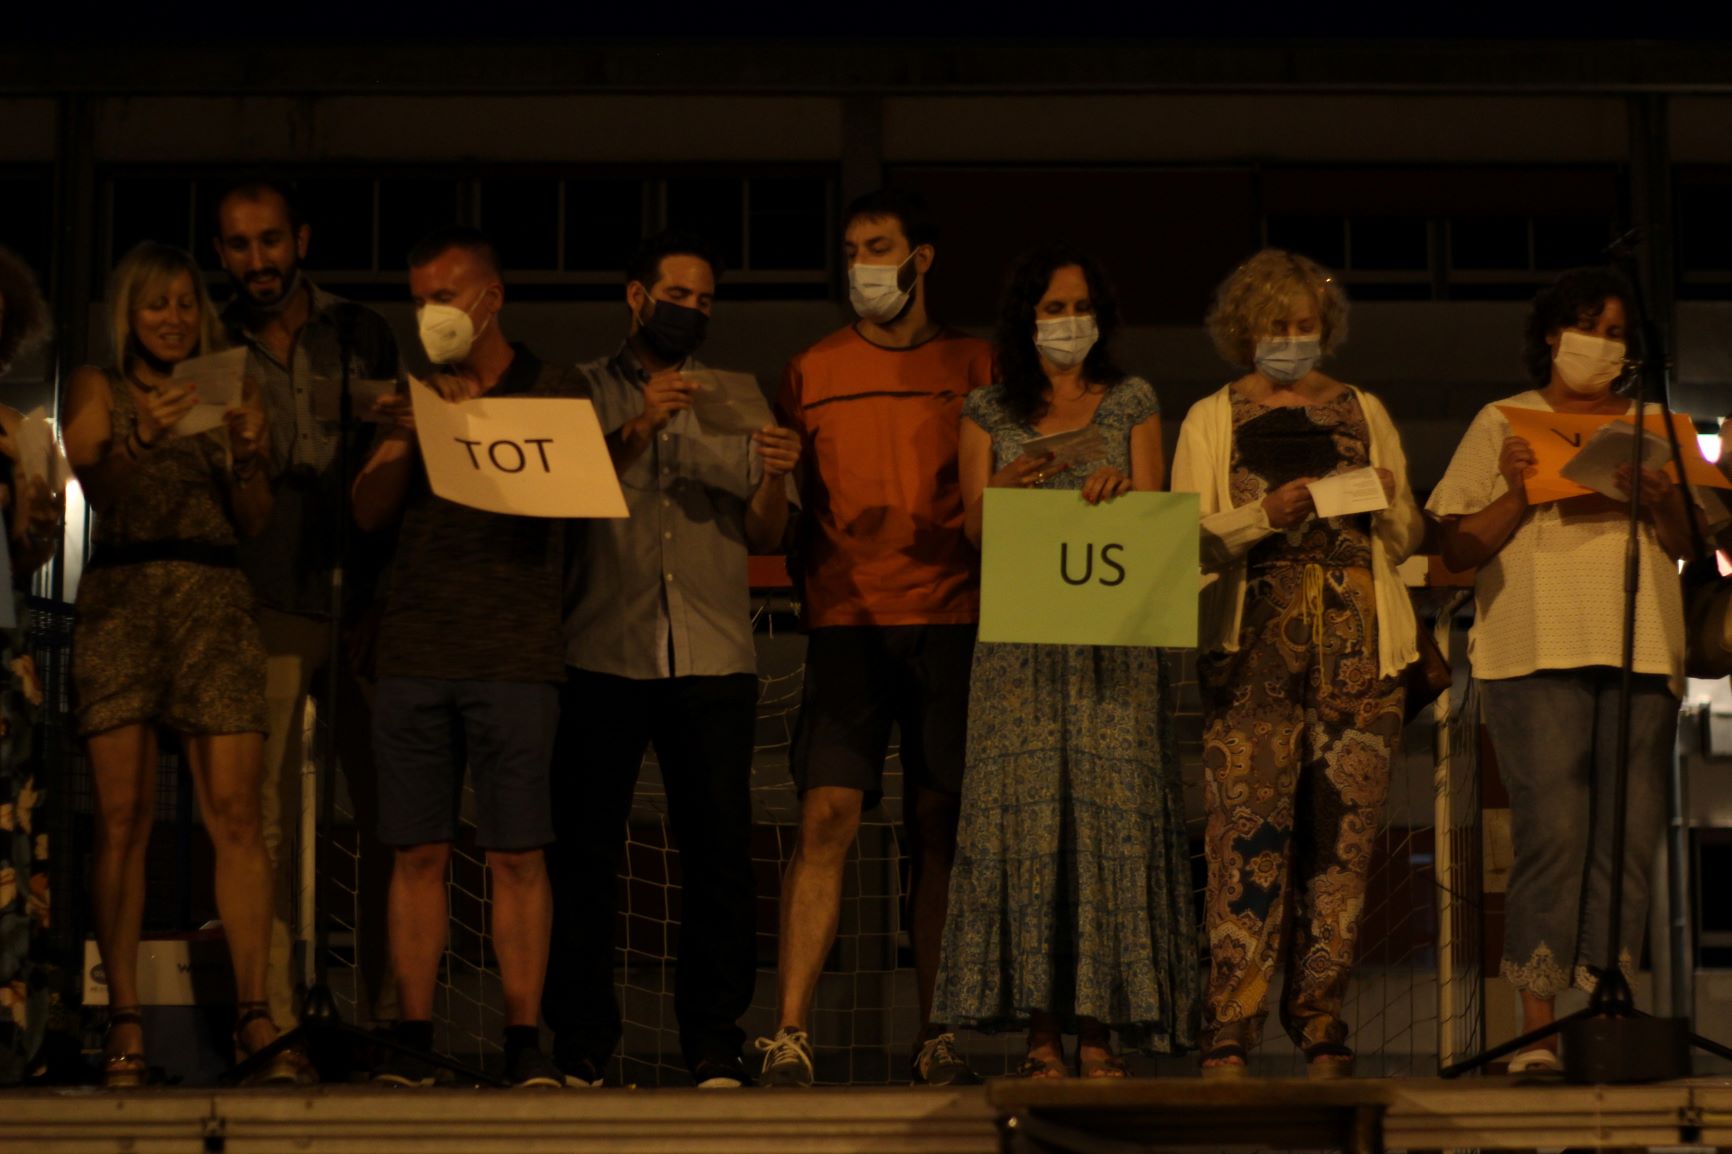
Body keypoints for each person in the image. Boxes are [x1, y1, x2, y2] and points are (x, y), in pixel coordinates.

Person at [931, 246, 1198, 1078]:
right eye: (1053, 308)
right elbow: (975, 529)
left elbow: (1156, 517)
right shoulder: (986, 408)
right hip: (1020, 653)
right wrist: (1010, 482)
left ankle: (1101, 1028)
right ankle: (1042, 1033)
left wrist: (1120, 489)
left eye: (1080, 307)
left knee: (1113, 822)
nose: (1068, 321)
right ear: (1027, 318)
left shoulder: (1133, 399)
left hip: (1113, 646)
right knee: (1031, 828)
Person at [545, 230, 800, 1089]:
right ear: (636, 296)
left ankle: (714, 1039)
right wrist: (640, 423)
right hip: (601, 648)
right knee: (584, 853)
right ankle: (582, 1040)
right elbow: (557, 502)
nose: (691, 310)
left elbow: (767, 532)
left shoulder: (739, 394)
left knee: (720, 854)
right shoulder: (577, 390)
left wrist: (774, 476)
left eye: (705, 299)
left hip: (713, 652)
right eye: (678, 295)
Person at [1428, 267, 1695, 1074]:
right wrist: (1517, 491)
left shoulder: (1654, 424)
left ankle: (1607, 1004)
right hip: (1533, 644)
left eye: (1617, 334)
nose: (1602, 347)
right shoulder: (1503, 420)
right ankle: (1537, 1023)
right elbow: (1456, 548)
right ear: (1551, 334)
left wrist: (1660, 499)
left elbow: (1690, 544)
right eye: (1589, 329)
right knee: (1555, 828)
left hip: (1642, 644)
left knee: (1630, 829)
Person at [757, 188, 992, 1088]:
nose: (863, 266)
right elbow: (778, 514)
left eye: (880, 248)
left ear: (921, 258)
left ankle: (939, 1033)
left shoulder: (977, 363)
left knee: (940, 828)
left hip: (954, 622)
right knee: (826, 816)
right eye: (853, 251)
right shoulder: (810, 368)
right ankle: (789, 1032)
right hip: (844, 623)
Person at [1171, 248, 1423, 1080]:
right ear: (1246, 330)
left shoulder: (1363, 407)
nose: (1291, 339)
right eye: (1276, 326)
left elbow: (1406, 538)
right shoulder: (1212, 416)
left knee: (1342, 842)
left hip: (1360, 654)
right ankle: (1230, 1024)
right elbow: (1185, 537)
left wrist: (1390, 499)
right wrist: (1262, 516)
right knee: (1245, 832)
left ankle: (1321, 1018)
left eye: (1304, 326)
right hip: (1251, 656)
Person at [63, 242, 300, 1087]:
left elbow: (255, 518)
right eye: (156, 304)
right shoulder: (97, 385)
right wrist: (142, 434)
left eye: (185, 303)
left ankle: (255, 1014)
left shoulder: (228, 384)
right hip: (124, 606)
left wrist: (247, 453)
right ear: (128, 314)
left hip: (213, 600)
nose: (173, 318)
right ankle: (124, 1019)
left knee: (235, 815)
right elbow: (98, 487)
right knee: (122, 819)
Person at [351, 227, 577, 1089]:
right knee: (417, 851)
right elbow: (367, 513)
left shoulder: (553, 389)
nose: (429, 315)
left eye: (443, 298)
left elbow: (569, 502)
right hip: (415, 651)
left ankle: (523, 1040)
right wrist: (412, 434)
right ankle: (415, 1037)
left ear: (491, 298)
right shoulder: (410, 397)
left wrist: (471, 426)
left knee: (518, 853)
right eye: (418, 301)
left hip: (515, 654)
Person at [212, 178, 402, 1034]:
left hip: (362, 606)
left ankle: (389, 1026)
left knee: (391, 818)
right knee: (266, 826)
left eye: (270, 240)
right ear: (222, 254)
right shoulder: (210, 345)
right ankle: (278, 1026)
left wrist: (383, 597)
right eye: (239, 244)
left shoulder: (362, 331)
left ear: (301, 241)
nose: (257, 259)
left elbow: (399, 464)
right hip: (262, 603)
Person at [0, 244, 63, 1084]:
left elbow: (26, 555)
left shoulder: (22, 430)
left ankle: (10, 1041)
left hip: (1, 657)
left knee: (7, 854)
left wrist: (39, 526)